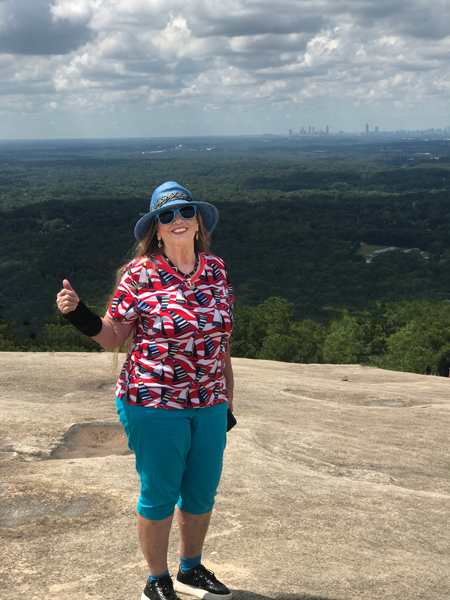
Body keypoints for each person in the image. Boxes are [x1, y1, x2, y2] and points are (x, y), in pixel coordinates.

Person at [56, 181, 235, 600]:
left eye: (185, 212)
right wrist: (79, 315)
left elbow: (223, 342)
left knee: (201, 489)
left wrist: (227, 401)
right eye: (167, 215)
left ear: (198, 221)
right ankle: (157, 580)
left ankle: (191, 570)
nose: (177, 221)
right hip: (154, 401)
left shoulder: (216, 269)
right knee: (159, 492)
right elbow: (115, 335)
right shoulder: (140, 275)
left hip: (209, 401)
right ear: (155, 228)